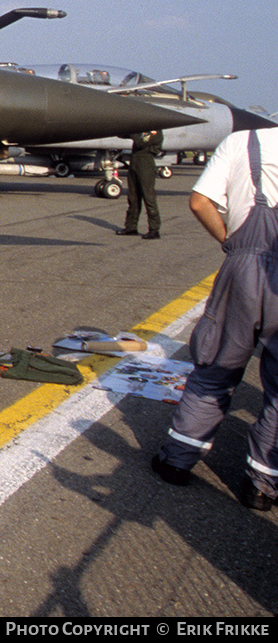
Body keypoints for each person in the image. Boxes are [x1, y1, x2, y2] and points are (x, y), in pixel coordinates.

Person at [151, 127, 278, 510]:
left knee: (216, 365)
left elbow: (199, 202)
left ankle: (177, 461)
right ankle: (262, 485)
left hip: (243, 267)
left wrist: (232, 244)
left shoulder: (244, 141)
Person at [117, 129, 164, 239]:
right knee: (133, 197)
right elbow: (123, 134)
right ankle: (131, 227)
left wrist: (134, 130)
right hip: (135, 162)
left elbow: (140, 142)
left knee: (149, 197)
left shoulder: (154, 131)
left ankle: (154, 229)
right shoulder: (142, 130)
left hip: (145, 163)